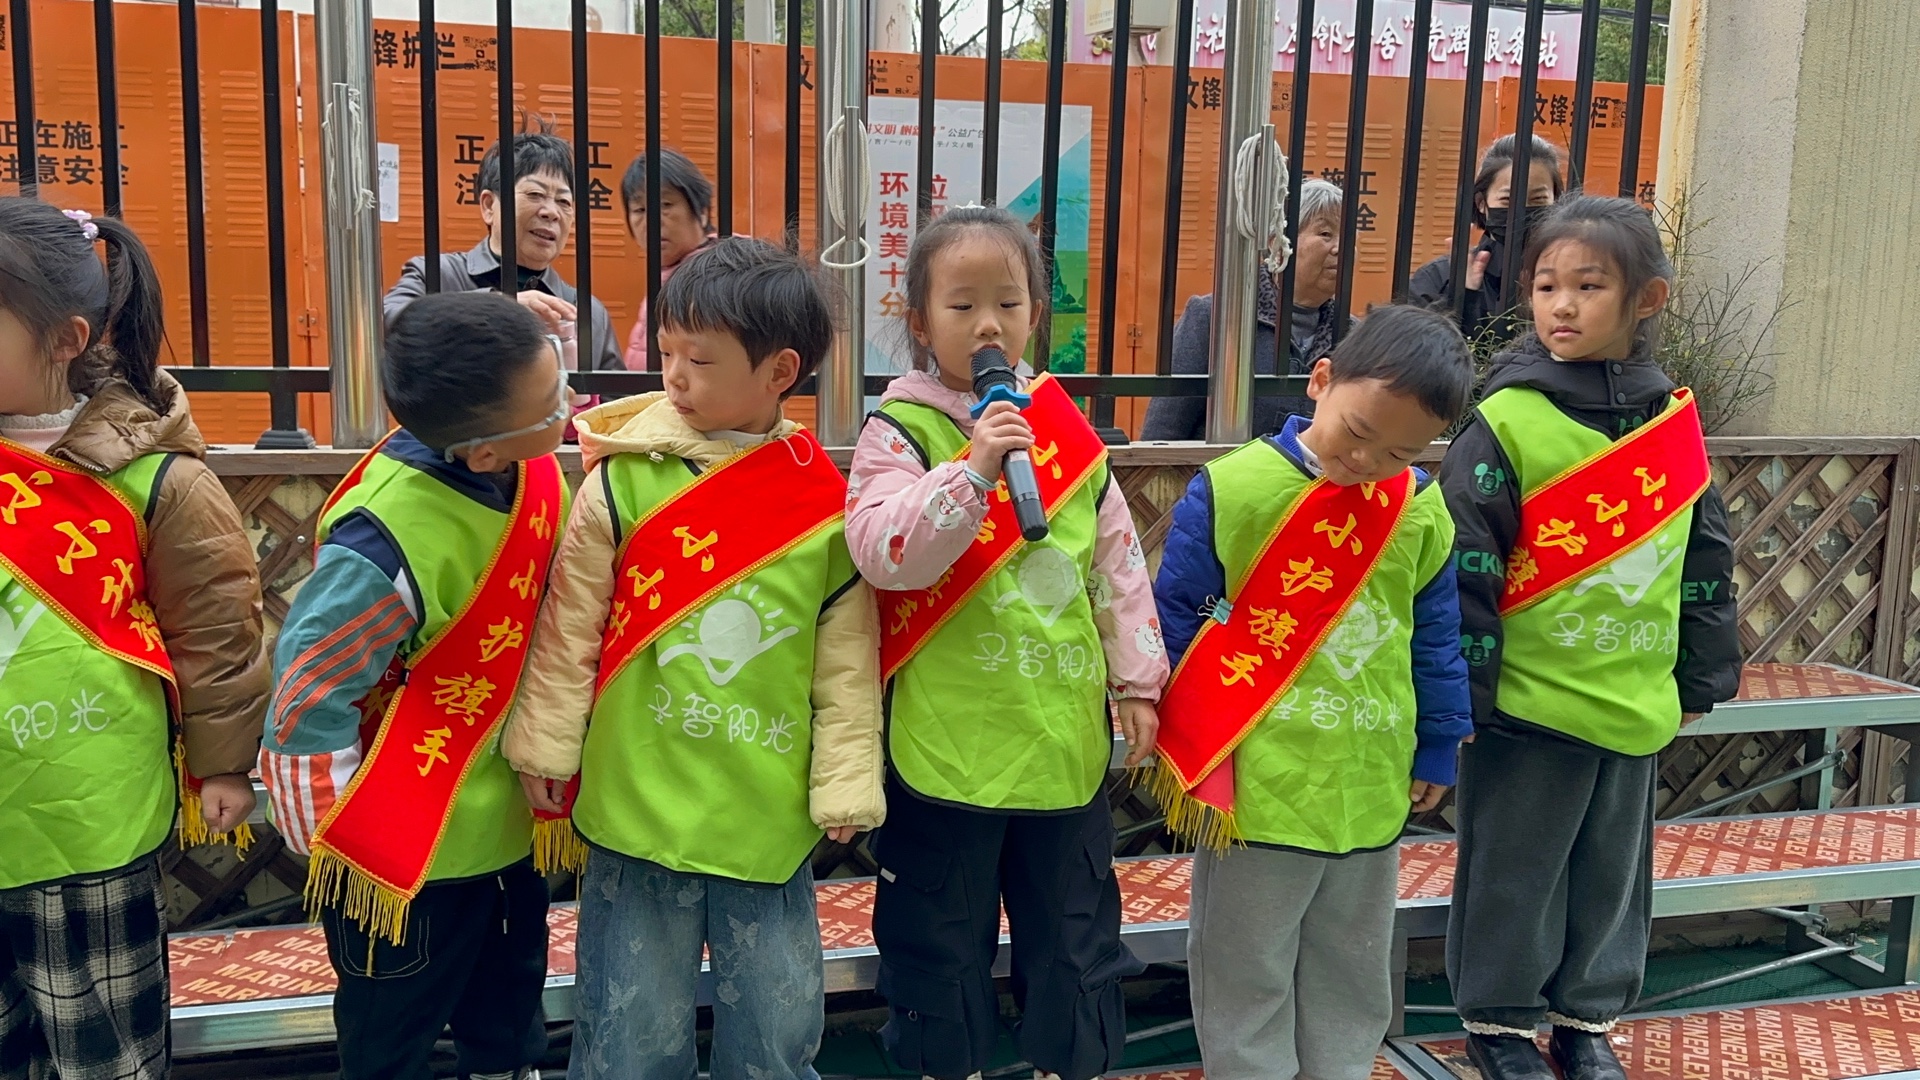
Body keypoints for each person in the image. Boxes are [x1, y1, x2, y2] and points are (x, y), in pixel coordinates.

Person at [502, 237, 884, 1080]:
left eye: (699, 360)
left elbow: (846, 660)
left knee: (776, 1037)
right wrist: (547, 746)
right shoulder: (621, 477)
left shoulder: (822, 503)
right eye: (668, 352)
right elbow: (571, 625)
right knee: (628, 1036)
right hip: (638, 798)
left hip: (766, 808)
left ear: (780, 371)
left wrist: (846, 780)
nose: (673, 375)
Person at [846, 205, 1169, 1080]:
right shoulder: (900, 431)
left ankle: (1072, 1062)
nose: (988, 324)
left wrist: (1139, 683)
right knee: (939, 940)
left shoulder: (1065, 435)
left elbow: (1118, 568)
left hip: (1059, 742)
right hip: (949, 745)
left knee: (1075, 941)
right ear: (920, 321)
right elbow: (883, 555)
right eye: (962, 305)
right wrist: (975, 469)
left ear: (1034, 314)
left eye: (1008, 303)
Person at [1439, 195, 1741, 1080]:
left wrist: (1702, 673)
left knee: (1612, 874)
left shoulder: (1669, 423)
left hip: (1634, 694)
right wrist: (1469, 696)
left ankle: (1586, 1019)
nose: (1561, 305)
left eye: (1588, 286)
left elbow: (1704, 556)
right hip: (1527, 705)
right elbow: (1465, 566)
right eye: (1545, 286)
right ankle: (1498, 1026)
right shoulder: (1508, 420)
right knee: (1516, 871)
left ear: (1647, 299)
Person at [1151, 305, 1476, 1080]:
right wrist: (1185, 732)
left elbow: (1435, 636)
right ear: (1321, 379)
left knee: (1351, 963)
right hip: (1260, 778)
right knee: (1245, 960)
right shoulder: (1236, 487)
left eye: (1399, 452)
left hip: (1370, 773)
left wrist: (1438, 742)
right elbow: (1179, 616)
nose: (1367, 461)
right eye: (1358, 432)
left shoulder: (1418, 509)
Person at [260, 291, 571, 1080]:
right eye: (552, 404)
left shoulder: (520, 465)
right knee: (391, 1035)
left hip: (502, 830)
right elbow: (308, 690)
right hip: (404, 857)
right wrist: (336, 839)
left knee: (509, 1020)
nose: (568, 408)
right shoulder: (383, 540)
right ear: (484, 453)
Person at [0, 199, 265, 1080]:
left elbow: (217, 626)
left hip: (88, 826)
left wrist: (223, 764)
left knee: (104, 1057)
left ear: (66, 339)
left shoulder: (155, 477)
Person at [384, 120, 622, 371]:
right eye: (535, 195)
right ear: (489, 206)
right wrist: (495, 308)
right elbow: (386, 325)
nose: (552, 212)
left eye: (563, 202)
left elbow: (617, 394)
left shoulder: (587, 311)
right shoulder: (438, 275)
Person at [1141, 177, 1347, 441]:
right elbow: (1163, 432)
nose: (1340, 248)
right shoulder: (1217, 318)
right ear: (1277, 244)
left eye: (1347, 236)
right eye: (1325, 234)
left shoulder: (1353, 335)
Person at [1409, 134, 1565, 344]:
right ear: (1481, 203)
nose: (1521, 210)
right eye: (1507, 200)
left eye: (1538, 199)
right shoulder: (1439, 277)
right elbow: (1412, 352)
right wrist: (1461, 299)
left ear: (1556, 200)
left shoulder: (1574, 276)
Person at [620, 147, 723, 370]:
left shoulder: (721, 274)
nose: (652, 220)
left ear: (702, 211)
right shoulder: (666, 272)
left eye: (665, 205)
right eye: (640, 209)